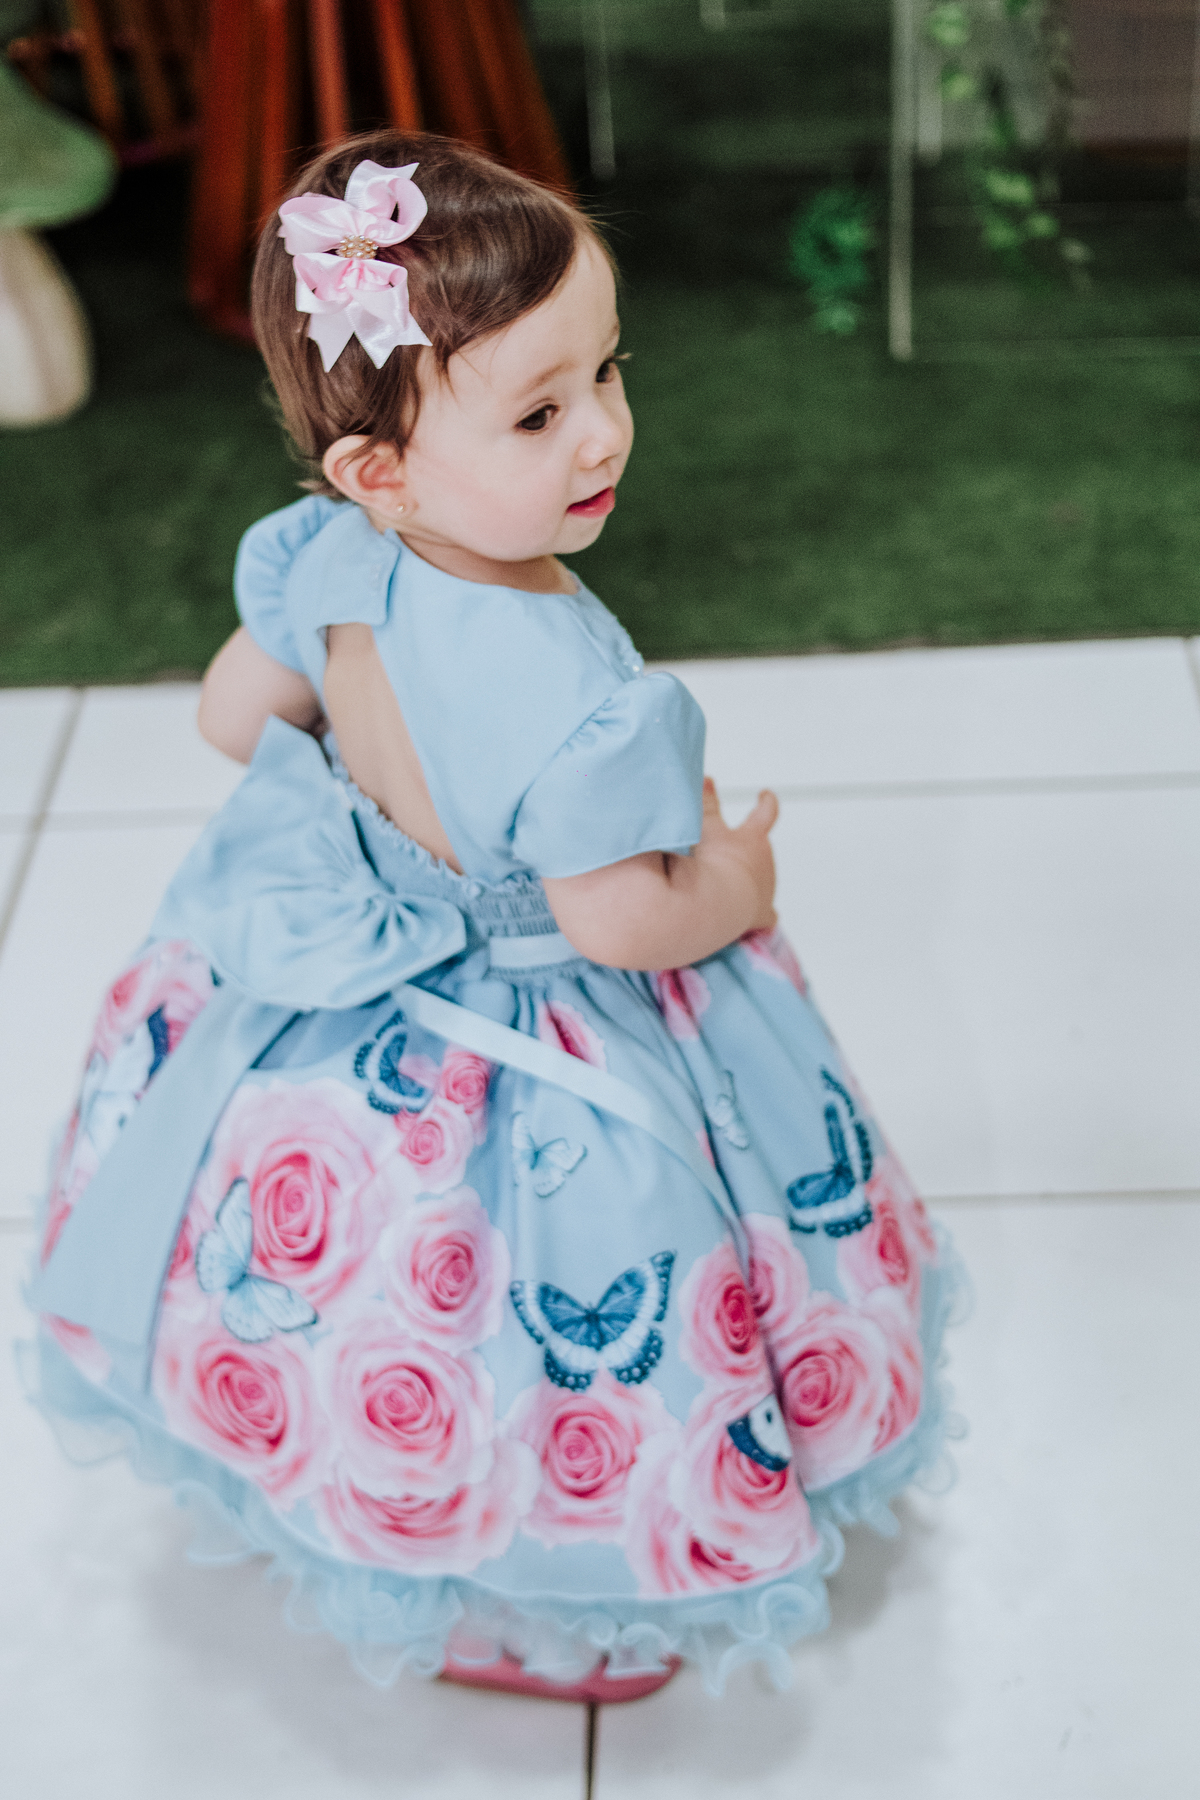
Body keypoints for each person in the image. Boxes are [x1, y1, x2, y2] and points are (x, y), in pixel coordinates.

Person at [27, 131, 965, 1703]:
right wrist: (735, 880)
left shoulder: (325, 551)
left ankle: (385, 1497)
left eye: (607, 372)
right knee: (551, 1311)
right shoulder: (578, 690)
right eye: (540, 413)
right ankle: (560, 1588)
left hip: (362, 984)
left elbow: (228, 716)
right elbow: (616, 924)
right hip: (538, 1021)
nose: (603, 430)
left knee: (386, 1296)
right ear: (379, 469)